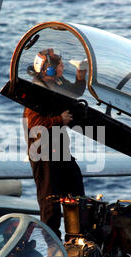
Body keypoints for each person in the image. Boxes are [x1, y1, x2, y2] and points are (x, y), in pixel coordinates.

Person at [23, 48, 88, 241]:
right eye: (59, 65)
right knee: (50, 203)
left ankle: (77, 239)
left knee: (76, 192)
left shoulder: (57, 83)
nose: (62, 66)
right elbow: (35, 127)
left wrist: (81, 74)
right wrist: (59, 120)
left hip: (60, 150)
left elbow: (75, 92)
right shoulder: (37, 93)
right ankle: (53, 247)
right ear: (48, 70)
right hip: (42, 153)